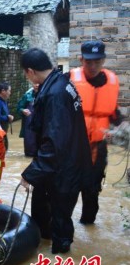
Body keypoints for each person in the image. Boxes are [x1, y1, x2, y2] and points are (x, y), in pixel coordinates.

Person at [19, 48, 92, 254]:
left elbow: (54, 143)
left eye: (26, 73)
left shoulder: (55, 94)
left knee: (60, 220)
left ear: (31, 71)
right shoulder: (61, 82)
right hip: (66, 161)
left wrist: (31, 174)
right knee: (42, 211)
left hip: (65, 168)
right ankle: (43, 246)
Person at [70, 40, 122, 225]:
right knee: (68, 189)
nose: (92, 66)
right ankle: (63, 234)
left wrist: (120, 128)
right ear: (81, 59)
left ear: (103, 61)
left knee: (92, 190)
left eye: (97, 61)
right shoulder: (69, 80)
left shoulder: (113, 82)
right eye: (88, 61)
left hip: (98, 148)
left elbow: (115, 114)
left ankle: (88, 225)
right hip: (73, 148)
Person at [16, 83, 39, 157]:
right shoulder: (27, 95)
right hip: (29, 126)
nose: (37, 85)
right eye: (35, 83)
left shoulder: (46, 94)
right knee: (29, 150)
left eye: (39, 83)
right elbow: (19, 108)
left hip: (41, 124)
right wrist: (23, 110)